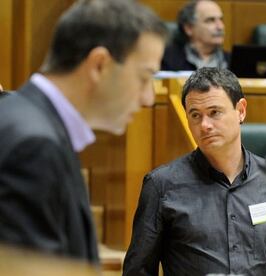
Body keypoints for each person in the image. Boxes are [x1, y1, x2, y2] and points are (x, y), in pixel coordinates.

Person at [0, 0, 166, 264]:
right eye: (145, 77)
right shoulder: (33, 146)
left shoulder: (29, 123)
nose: (148, 98)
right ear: (99, 65)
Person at [123, 68, 266, 276]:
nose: (205, 125)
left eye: (214, 113)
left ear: (241, 110)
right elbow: (137, 272)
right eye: (195, 115)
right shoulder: (161, 185)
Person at [161, 0, 229, 71]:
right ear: (189, 28)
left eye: (221, 20)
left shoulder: (232, 60)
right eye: (210, 20)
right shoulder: (168, 59)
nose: (220, 27)